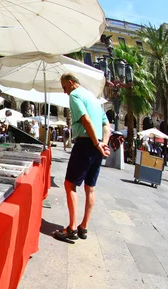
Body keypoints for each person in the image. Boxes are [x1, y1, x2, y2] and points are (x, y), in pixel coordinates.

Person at [53, 73, 111, 241]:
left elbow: (85, 119)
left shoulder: (75, 95)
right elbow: (106, 125)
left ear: (71, 83)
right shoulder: (93, 98)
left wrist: (95, 143)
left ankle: (71, 228)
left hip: (86, 144)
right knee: (90, 188)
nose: (64, 92)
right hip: (96, 146)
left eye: (64, 87)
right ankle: (83, 227)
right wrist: (103, 144)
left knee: (69, 184)